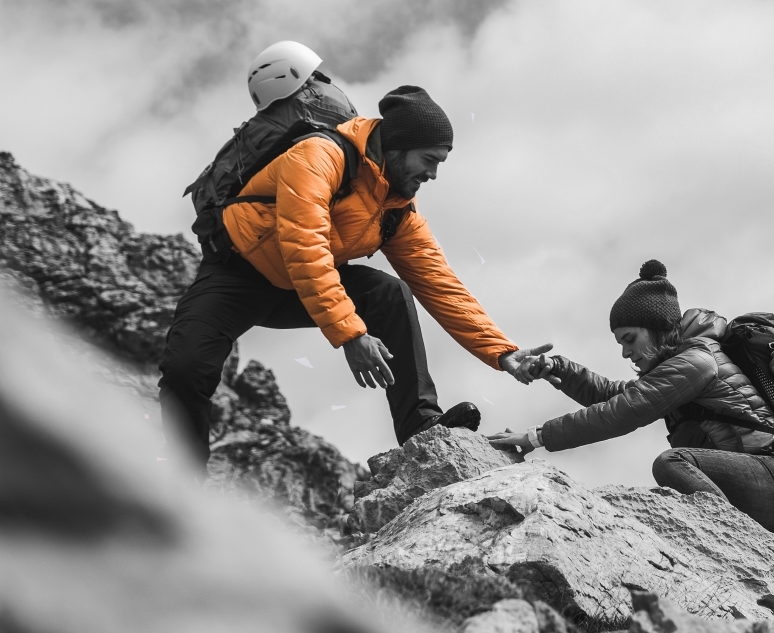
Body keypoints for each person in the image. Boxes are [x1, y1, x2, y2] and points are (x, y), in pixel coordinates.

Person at [159, 41, 548, 471]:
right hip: (237, 275)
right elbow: (304, 243)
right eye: (429, 160)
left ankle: (421, 427)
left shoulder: (396, 208)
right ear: (398, 145)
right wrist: (350, 335)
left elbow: (441, 284)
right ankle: (182, 481)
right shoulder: (318, 156)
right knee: (186, 368)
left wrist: (503, 353)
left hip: (303, 284)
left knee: (390, 294)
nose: (433, 174)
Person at [488, 260, 774, 582]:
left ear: (657, 326)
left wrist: (535, 437)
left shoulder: (696, 361)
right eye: (620, 343)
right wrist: (559, 368)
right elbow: (614, 396)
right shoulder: (680, 364)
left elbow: (624, 410)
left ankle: (736, 546)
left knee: (672, 464)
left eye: (630, 339)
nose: (625, 353)